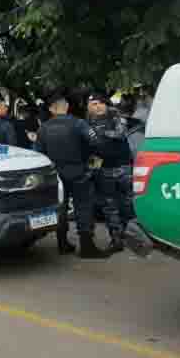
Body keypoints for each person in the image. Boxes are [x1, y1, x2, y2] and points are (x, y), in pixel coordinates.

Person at [36, 94, 109, 258]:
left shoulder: (43, 128)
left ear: (51, 109)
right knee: (83, 207)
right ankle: (87, 247)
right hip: (79, 172)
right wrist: (92, 164)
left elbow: (38, 154)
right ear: (67, 106)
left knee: (60, 208)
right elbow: (97, 144)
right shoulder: (79, 123)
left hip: (56, 175)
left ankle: (62, 244)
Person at [86, 93, 134, 253]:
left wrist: (99, 134)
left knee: (128, 204)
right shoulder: (87, 124)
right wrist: (92, 170)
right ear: (88, 107)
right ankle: (116, 238)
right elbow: (92, 151)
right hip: (104, 169)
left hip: (123, 168)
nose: (97, 106)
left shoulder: (116, 116)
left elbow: (120, 134)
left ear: (106, 104)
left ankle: (132, 234)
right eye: (93, 104)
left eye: (100, 103)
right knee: (109, 206)